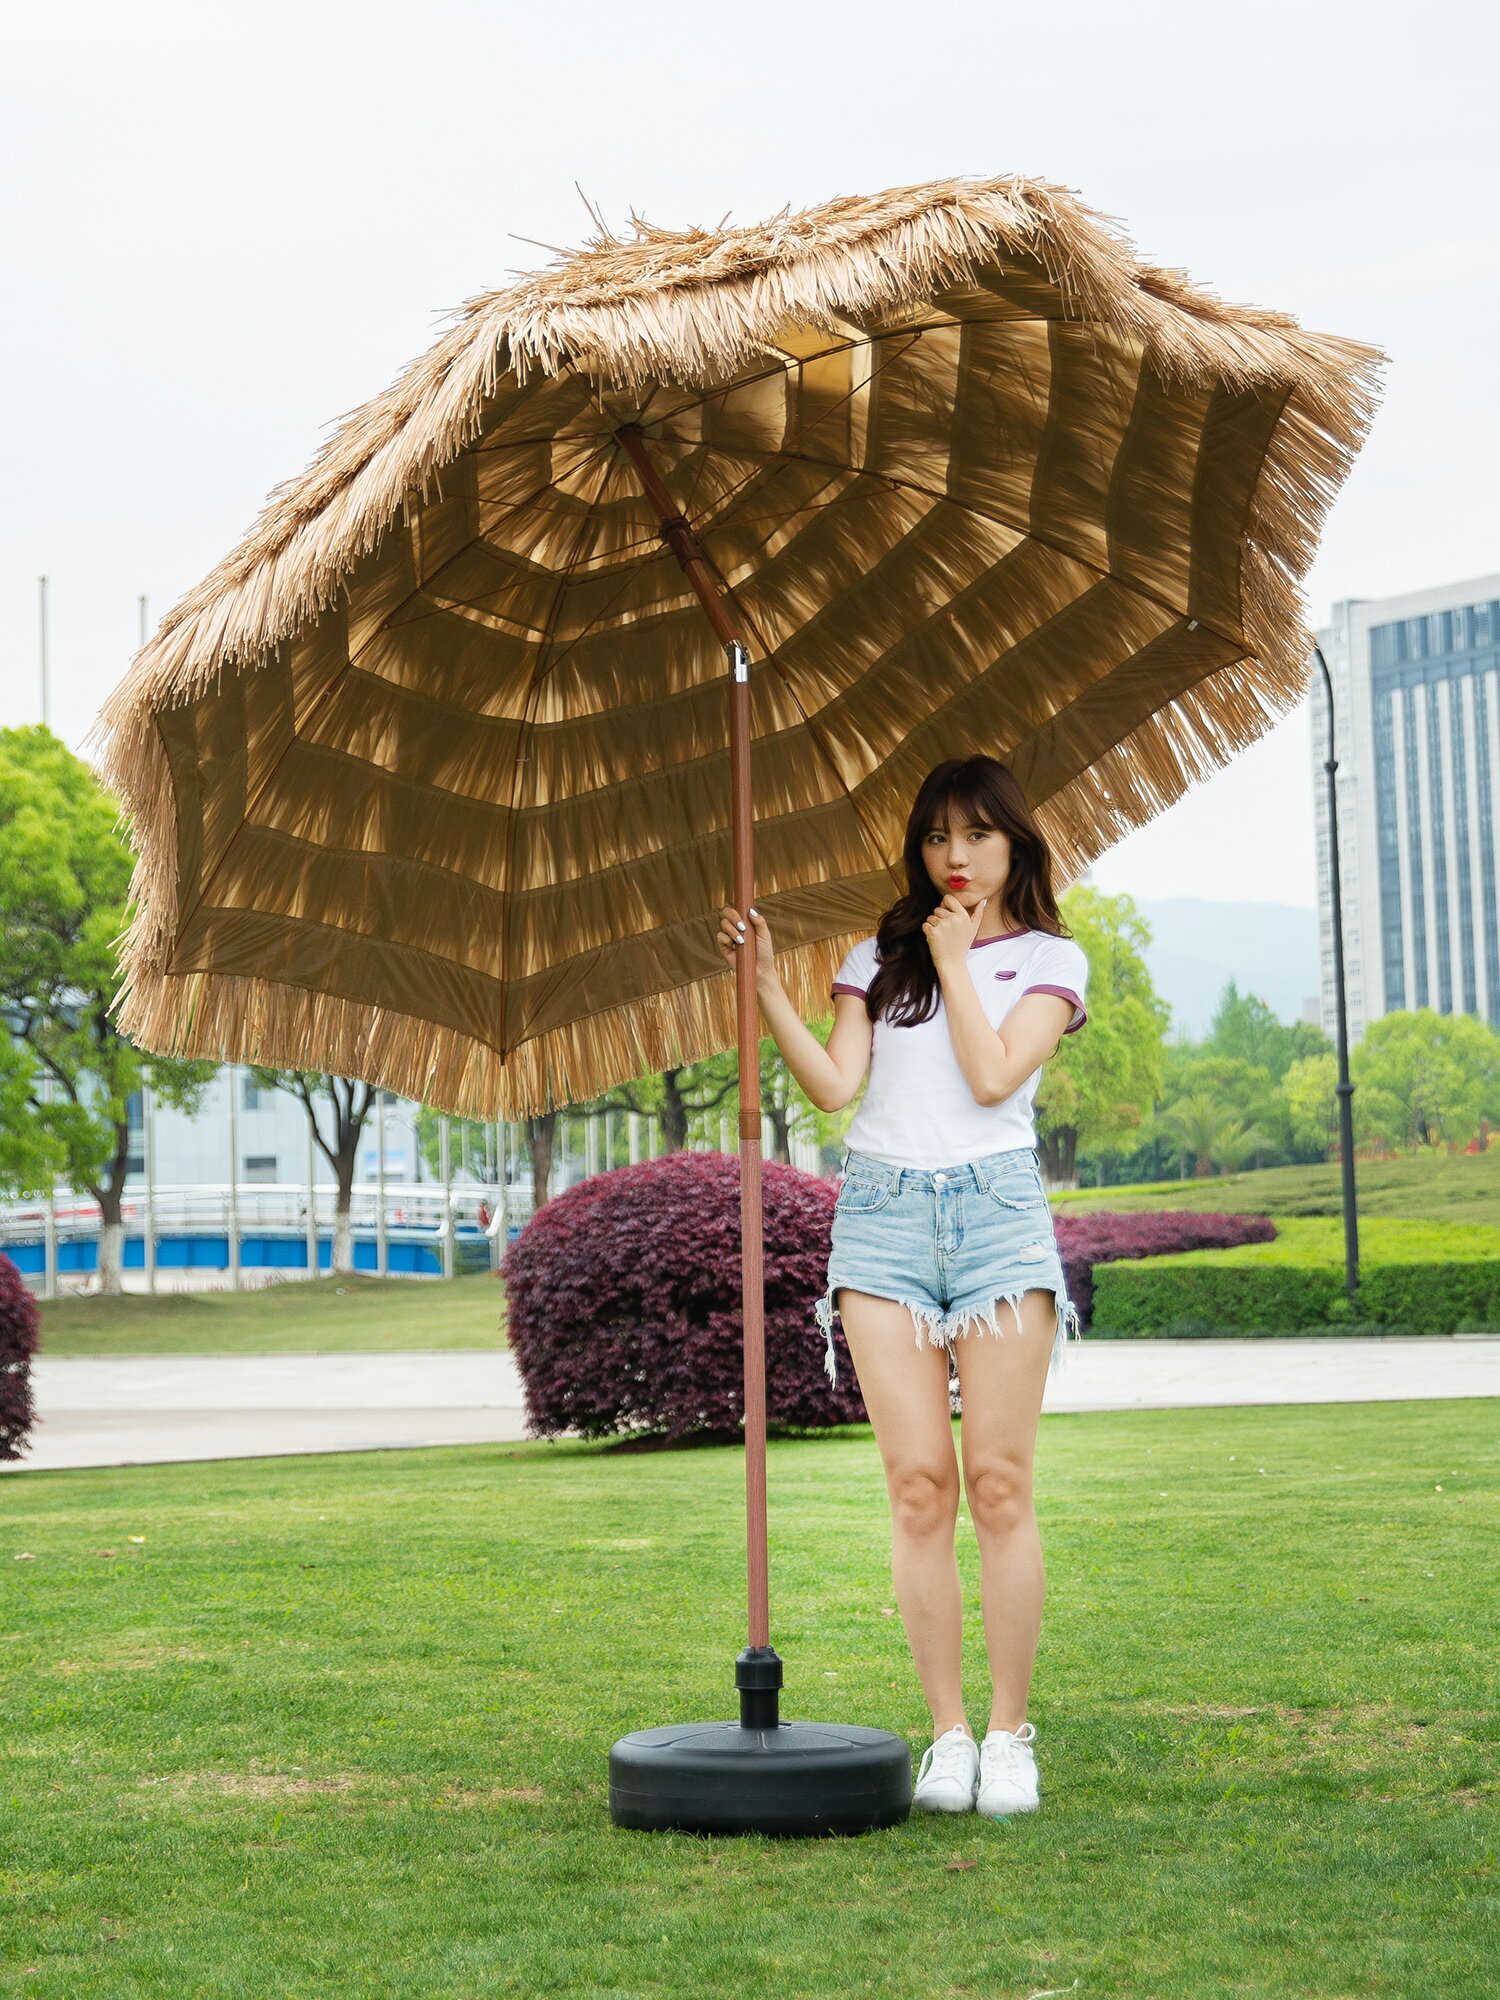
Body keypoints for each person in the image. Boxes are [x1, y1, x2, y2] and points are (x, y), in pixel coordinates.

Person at [717, 755, 1087, 1820]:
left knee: (999, 1484)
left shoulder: (1054, 961)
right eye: (935, 837)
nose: (953, 856)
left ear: (1014, 841)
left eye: (974, 834)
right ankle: (950, 1734)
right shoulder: (875, 954)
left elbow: (989, 1075)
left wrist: (960, 960)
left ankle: (1011, 1732)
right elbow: (837, 1087)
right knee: (920, 1484)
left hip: (998, 1217)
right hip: (879, 1216)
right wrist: (768, 991)